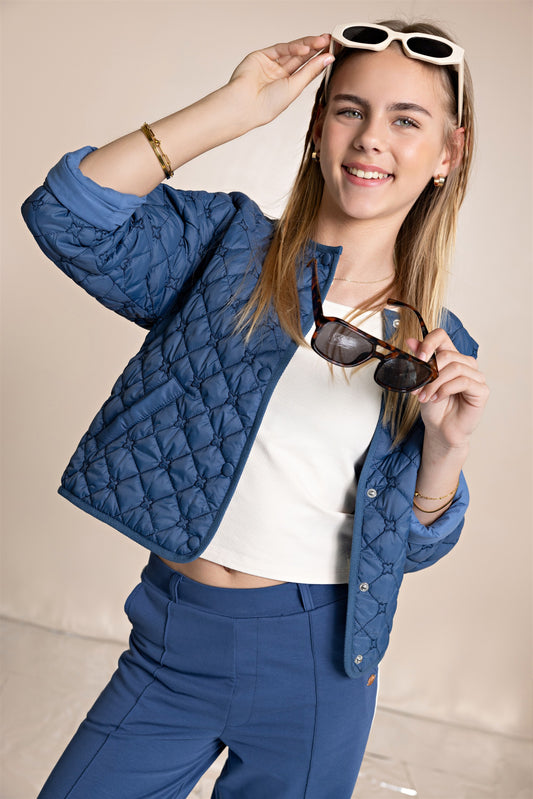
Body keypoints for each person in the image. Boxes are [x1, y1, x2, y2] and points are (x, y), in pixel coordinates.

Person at [22, 20, 488, 799]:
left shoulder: (435, 345)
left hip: (316, 664)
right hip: (171, 638)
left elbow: (409, 546)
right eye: (350, 109)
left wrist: (445, 451)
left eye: (406, 119)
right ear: (318, 124)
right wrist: (232, 108)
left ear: (449, 152)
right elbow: (65, 215)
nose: (371, 137)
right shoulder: (226, 248)